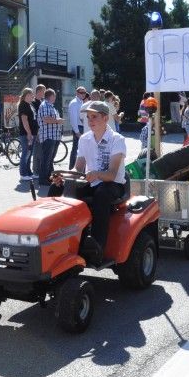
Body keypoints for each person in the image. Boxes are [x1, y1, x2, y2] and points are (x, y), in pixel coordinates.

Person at [49, 100, 126, 264]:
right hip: (92, 182)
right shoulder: (85, 139)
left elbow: (112, 175)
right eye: (88, 117)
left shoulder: (117, 140)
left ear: (105, 118)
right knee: (59, 189)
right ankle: (57, 239)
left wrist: (96, 173)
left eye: (94, 117)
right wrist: (62, 177)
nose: (90, 120)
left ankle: (98, 245)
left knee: (102, 193)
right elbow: (78, 169)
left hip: (114, 185)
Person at [36, 89, 64, 185]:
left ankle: (49, 178)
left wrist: (58, 121)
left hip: (53, 136)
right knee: (46, 159)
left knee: (50, 159)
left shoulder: (50, 106)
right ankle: (43, 180)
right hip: (48, 137)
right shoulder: (45, 105)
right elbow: (46, 119)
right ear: (50, 96)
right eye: (54, 95)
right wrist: (58, 121)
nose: (55, 97)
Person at [17, 87, 38, 182]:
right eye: (31, 94)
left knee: (29, 154)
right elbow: (24, 120)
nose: (33, 96)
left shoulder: (30, 105)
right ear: (25, 95)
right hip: (26, 134)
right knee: (26, 153)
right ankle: (23, 174)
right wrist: (29, 133)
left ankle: (29, 172)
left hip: (32, 133)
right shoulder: (23, 105)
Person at [68, 86, 87, 168]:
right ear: (77, 93)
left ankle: (77, 168)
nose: (83, 94)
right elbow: (73, 118)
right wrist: (77, 132)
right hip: (78, 128)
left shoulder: (80, 102)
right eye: (81, 92)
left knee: (80, 150)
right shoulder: (74, 103)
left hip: (81, 127)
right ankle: (71, 167)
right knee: (75, 149)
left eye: (84, 93)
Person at [31, 83, 47, 179]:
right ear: (39, 91)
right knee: (37, 152)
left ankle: (39, 170)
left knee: (41, 152)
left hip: (42, 130)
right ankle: (36, 172)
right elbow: (34, 118)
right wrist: (36, 131)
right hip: (37, 130)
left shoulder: (41, 102)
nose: (44, 93)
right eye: (44, 91)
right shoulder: (33, 102)